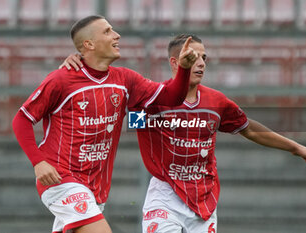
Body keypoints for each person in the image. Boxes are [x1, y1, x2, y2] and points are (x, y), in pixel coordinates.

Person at [61, 34, 306, 233]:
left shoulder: (216, 102)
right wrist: (80, 64)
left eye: (204, 58)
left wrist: (294, 147)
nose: (200, 63)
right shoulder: (152, 100)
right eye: (193, 57)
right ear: (175, 62)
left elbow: (249, 129)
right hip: (165, 195)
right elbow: (112, 100)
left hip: (204, 199)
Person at [12, 15, 198, 233]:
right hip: (61, 179)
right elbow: (22, 118)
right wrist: (38, 162)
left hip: (95, 187)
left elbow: (171, 98)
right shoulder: (61, 79)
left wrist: (184, 70)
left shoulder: (125, 79)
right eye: (108, 31)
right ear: (89, 44)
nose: (117, 35)